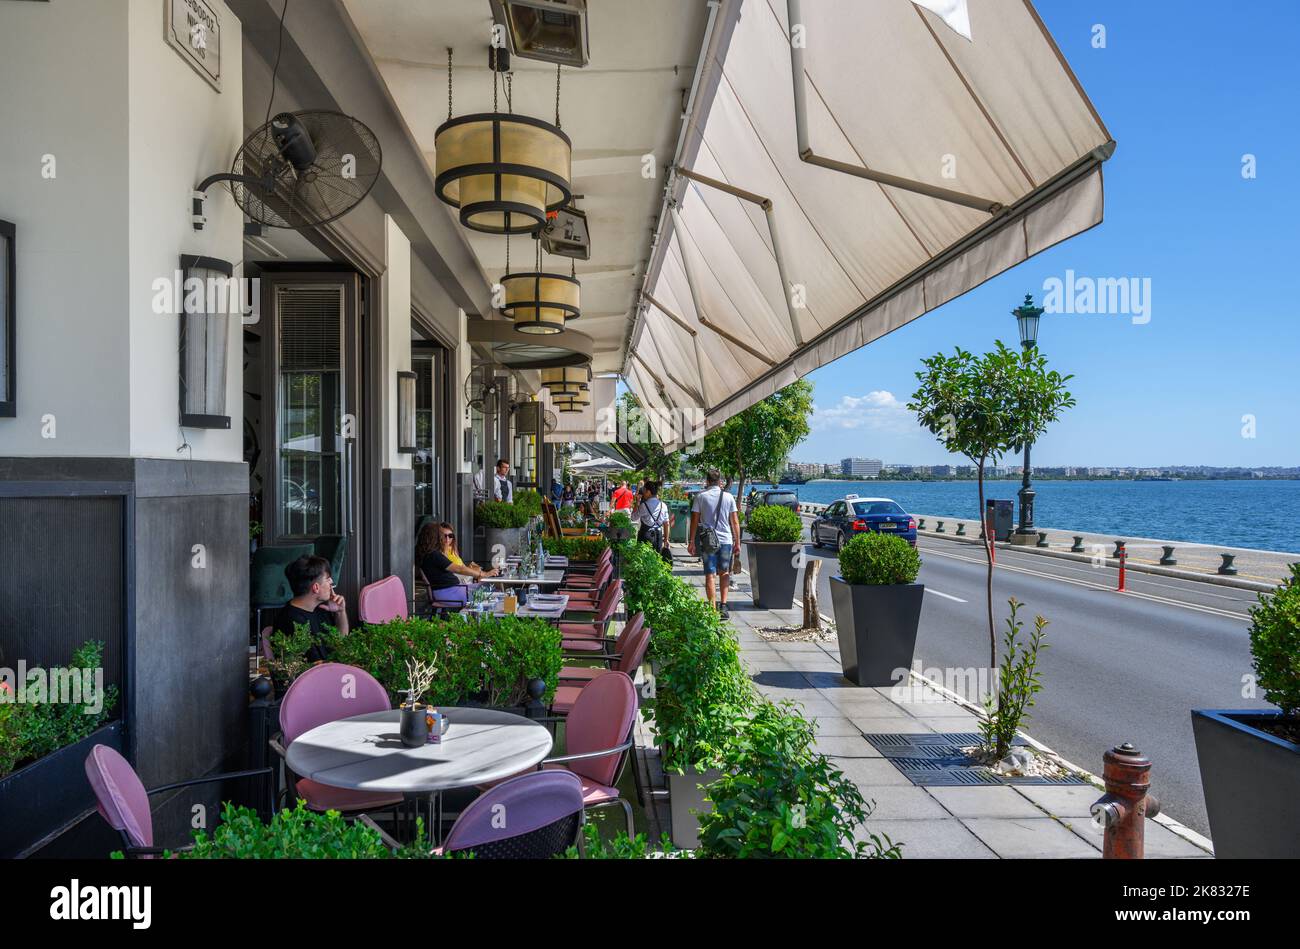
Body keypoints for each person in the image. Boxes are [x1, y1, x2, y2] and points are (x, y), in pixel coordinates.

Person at [272, 555, 349, 663]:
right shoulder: (291, 621)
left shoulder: (320, 609)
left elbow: (340, 643)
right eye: (327, 579)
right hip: (313, 677)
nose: (331, 582)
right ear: (316, 587)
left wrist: (340, 612)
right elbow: (316, 667)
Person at [687, 468, 741, 619]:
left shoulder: (700, 497)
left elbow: (695, 520)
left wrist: (692, 541)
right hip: (726, 541)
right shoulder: (729, 497)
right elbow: (735, 521)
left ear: (707, 481)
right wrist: (737, 542)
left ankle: (712, 609)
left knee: (710, 574)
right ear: (720, 481)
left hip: (708, 541)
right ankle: (723, 606)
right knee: (724, 572)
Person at [416, 521, 498, 590]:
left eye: (450, 536)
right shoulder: (434, 555)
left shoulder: (431, 555)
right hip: (453, 591)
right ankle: (509, 606)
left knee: (491, 587)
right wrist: (483, 574)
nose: (443, 538)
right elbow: (459, 569)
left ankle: (508, 605)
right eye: (440, 535)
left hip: (455, 588)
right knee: (492, 588)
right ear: (433, 537)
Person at [632, 480, 672, 561]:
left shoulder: (644, 505)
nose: (643, 493)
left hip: (645, 535)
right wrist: (666, 539)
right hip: (658, 536)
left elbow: (633, 517)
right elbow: (666, 523)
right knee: (656, 560)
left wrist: (637, 502)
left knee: (643, 560)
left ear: (649, 492)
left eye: (644, 491)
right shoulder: (663, 505)